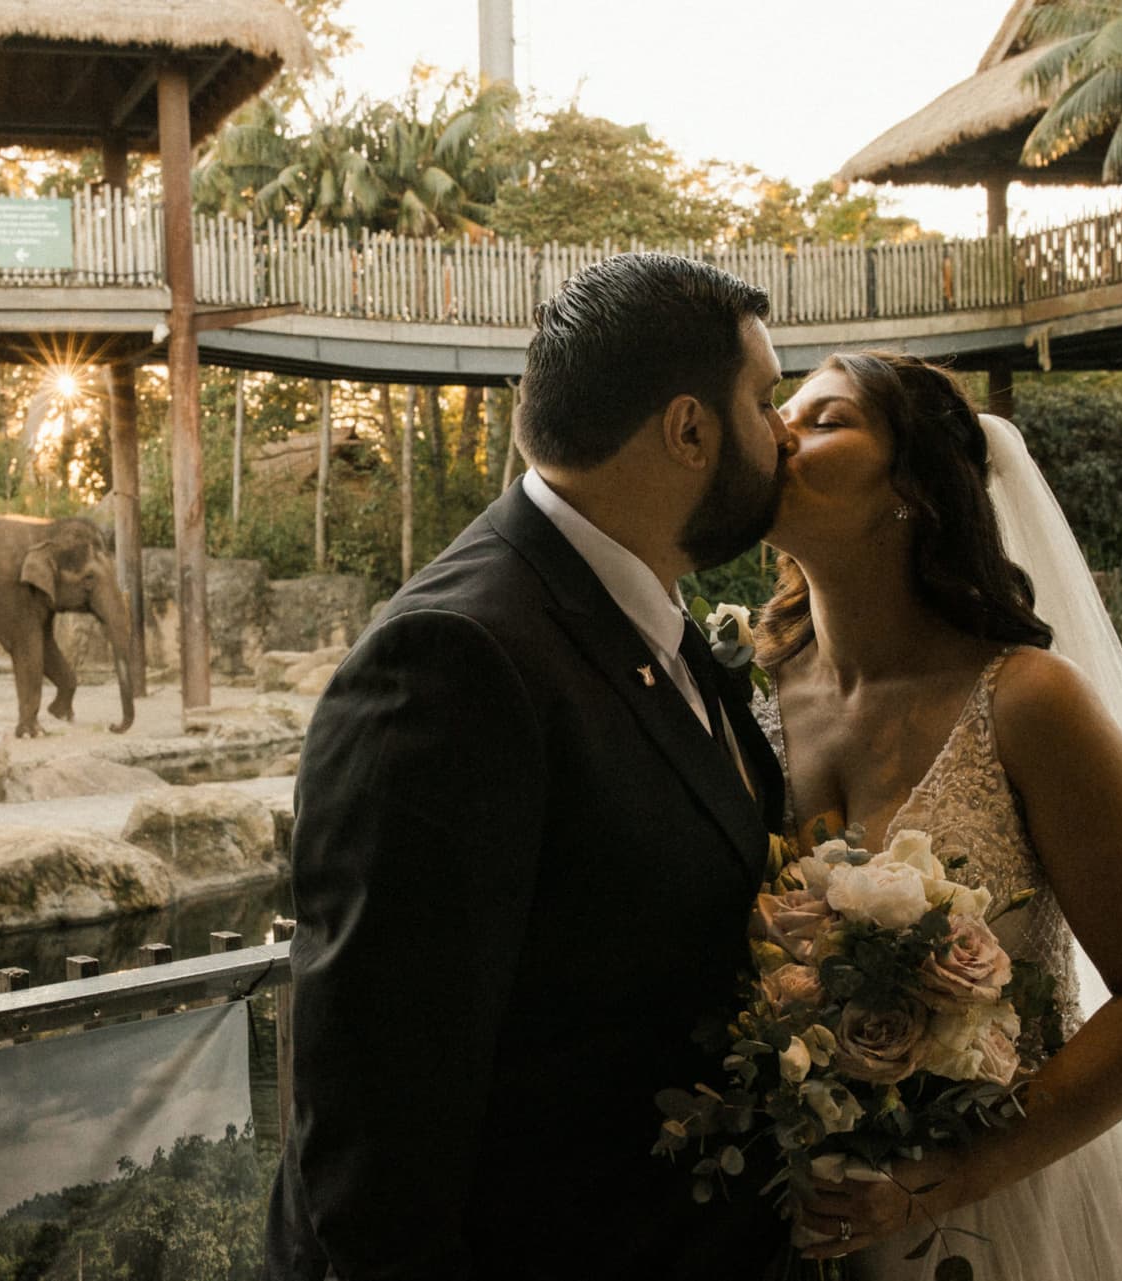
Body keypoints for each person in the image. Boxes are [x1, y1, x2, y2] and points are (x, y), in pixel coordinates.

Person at [265, 252, 795, 1280]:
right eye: (765, 401)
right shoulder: (453, 661)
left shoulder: (658, 623)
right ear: (689, 430)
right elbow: (375, 1118)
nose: (783, 436)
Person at [760, 351, 1122, 1279]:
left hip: (1021, 1222)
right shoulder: (745, 691)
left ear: (915, 491)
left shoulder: (1027, 703)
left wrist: (940, 1179)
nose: (780, 433)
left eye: (826, 419)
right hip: (791, 1219)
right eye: (782, 411)